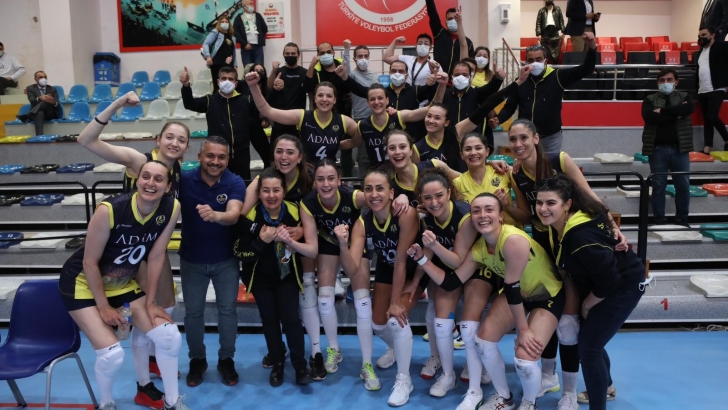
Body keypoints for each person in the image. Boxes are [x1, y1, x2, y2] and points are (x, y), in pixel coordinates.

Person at [506, 118, 628, 407]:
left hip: (571, 241)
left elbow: (588, 195)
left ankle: (587, 387)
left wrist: (612, 225)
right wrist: (503, 204)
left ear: (536, 138)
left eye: (524, 138)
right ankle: (550, 376)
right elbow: (527, 216)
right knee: (547, 309)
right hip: (544, 246)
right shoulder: (515, 174)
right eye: (513, 139)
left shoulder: (559, 160)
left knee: (573, 321)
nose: (518, 144)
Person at [77, 91, 188, 407]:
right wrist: (116, 104)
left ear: (186, 147)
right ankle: (143, 384)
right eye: (169, 137)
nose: (174, 143)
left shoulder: (178, 173)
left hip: (150, 250)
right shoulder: (140, 161)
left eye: (181, 139)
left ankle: (151, 363)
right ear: (158, 139)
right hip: (126, 252)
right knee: (145, 314)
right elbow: (86, 139)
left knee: (164, 309)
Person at [408, 192, 564, 410]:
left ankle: (529, 403)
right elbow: (452, 282)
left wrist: (523, 331)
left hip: (545, 296)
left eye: (489, 209)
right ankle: (505, 398)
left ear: (501, 216)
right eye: (476, 211)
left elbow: (512, 288)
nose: (482, 215)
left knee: (525, 358)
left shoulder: (512, 240)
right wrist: (422, 259)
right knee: (483, 342)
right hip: (518, 295)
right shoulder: (480, 248)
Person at [58, 161, 189, 410]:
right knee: (112, 354)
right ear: (137, 181)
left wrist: (150, 302)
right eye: (146, 176)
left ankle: (172, 403)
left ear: (168, 186)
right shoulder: (109, 210)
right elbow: (89, 262)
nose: (151, 183)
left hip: (121, 281)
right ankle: (106, 403)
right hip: (82, 282)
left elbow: (156, 256)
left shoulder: (172, 207)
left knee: (168, 336)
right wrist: (103, 307)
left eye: (159, 179)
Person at [535, 175, 646, 410]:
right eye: (539, 202)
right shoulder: (563, 225)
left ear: (567, 204)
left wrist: (587, 305)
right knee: (592, 337)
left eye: (551, 203)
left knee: (589, 348)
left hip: (622, 285)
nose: (543, 208)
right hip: (604, 283)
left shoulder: (580, 236)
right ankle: (607, 387)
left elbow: (609, 281)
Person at [335, 169, 428, 407]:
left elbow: (401, 262)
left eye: (380, 188)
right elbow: (352, 269)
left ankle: (404, 380)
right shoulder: (362, 221)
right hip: (388, 270)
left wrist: (395, 302)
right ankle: (397, 348)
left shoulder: (406, 214)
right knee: (377, 324)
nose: (374, 194)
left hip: (413, 269)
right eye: (368, 189)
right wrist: (342, 245)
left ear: (391, 193)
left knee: (396, 320)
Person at [411, 169, 495, 404]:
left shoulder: (464, 216)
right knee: (441, 323)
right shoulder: (427, 216)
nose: (434, 202)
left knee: (468, 326)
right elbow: (429, 252)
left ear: (449, 193)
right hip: (450, 268)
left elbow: (458, 259)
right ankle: (448, 376)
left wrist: (434, 246)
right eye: (427, 198)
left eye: (439, 195)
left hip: (476, 267)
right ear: (421, 199)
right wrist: (416, 282)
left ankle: (477, 366)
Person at [300, 158, 381, 390]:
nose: (326, 184)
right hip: (328, 243)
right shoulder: (308, 203)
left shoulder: (353, 197)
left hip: (354, 243)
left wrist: (402, 199)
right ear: (314, 182)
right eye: (320, 179)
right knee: (324, 300)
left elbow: (379, 198)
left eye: (330, 178)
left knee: (363, 303)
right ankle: (334, 349)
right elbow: (311, 241)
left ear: (339, 180)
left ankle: (367, 364)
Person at [233, 167, 317, 386]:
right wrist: (262, 242)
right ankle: (278, 362)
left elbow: (311, 238)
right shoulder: (250, 216)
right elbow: (239, 252)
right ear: (259, 193)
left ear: (284, 191)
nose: (271, 195)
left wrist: (297, 235)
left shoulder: (296, 211)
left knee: (292, 321)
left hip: (287, 278)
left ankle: (300, 366)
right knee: (269, 321)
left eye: (276, 190)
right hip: (261, 280)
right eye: (266, 190)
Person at [178, 137, 246, 388]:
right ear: (199, 157)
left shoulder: (235, 182)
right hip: (191, 259)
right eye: (210, 156)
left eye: (221, 157)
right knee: (193, 313)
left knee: (227, 311)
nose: (215, 161)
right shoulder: (184, 180)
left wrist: (216, 215)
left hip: (225, 260)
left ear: (227, 159)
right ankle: (197, 359)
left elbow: (234, 214)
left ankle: (226, 359)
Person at [491, 33, 598, 154]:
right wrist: (499, 119)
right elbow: (510, 107)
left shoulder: (558, 76)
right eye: (531, 60)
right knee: (527, 166)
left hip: (550, 138)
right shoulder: (520, 81)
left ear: (545, 61)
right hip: (526, 138)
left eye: (538, 59)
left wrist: (592, 47)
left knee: (551, 166)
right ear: (526, 62)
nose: (535, 63)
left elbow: (587, 69)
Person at [245, 70, 359, 163]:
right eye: (320, 95)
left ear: (334, 100)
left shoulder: (343, 121)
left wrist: (341, 145)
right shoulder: (303, 116)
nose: (324, 99)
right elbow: (267, 111)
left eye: (329, 96)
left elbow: (360, 137)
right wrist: (253, 86)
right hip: (306, 175)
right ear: (314, 99)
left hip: (329, 176)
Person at [180, 65, 258, 179]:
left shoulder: (246, 100)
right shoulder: (210, 100)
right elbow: (189, 104)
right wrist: (186, 86)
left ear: (236, 83)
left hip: (241, 155)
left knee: (242, 185)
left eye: (230, 79)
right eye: (224, 78)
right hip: (216, 157)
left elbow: (261, 112)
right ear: (218, 82)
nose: (227, 81)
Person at [641, 68, 695, 227]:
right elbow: (649, 117)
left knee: (683, 186)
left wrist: (663, 111)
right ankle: (659, 221)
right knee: (658, 186)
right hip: (658, 150)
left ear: (676, 82)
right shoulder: (649, 99)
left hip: (680, 150)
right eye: (662, 80)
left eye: (669, 80)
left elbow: (688, 109)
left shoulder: (685, 96)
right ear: (657, 83)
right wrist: (677, 114)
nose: (666, 83)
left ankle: (682, 221)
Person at [430, 61, 505, 153]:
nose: (461, 77)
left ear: (470, 77)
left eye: (465, 75)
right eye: (457, 75)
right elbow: (433, 106)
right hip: (446, 144)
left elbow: (491, 88)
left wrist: (498, 78)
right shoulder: (444, 94)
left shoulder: (477, 94)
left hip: (472, 146)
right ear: (451, 77)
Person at [342, 40, 380, 176]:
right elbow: (344, 71)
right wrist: (346, 50)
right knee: (363, 156)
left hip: (376, 119)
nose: (363, 59)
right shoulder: (352, 75)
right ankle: (364, 182)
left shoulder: (374, 75)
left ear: (369, 57)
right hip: (360, 120)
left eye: (365, 56)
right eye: (360, 56)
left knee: (376, 155)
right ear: (354, 59)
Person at [695, 26, 728, 154]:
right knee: (707, 120)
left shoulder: (722, 46)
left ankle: (726, 139)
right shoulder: (700, 52)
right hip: (702, 90)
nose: (701, 38)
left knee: (712, 116)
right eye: (699, 36)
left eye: (703, 35)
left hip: (717, 88)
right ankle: (707, 148)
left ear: (712, 35)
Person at [268, 42, 308, 139]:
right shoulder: (279, 71)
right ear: (284, 55)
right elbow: (269, 86)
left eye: (293, 53)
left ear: (298, 55)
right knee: (277, 144)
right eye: (287, 53)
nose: (290, 55)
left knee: (297, 145)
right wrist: (273, 71)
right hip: (279, 116)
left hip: (297, 117)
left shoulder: (304, 72)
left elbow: (310, 93)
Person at [425, 1, 474, 75]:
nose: (453, 21)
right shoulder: (439, 33)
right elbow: (432, 14)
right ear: (446, 21)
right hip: (439, 77)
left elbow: (471, 64)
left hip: (457, 79)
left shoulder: (468, 43)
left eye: (455, 18)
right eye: (450, 19)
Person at [244, 63, 272, 167]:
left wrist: (265, 119)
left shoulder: (267, 89)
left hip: (256, 124)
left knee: (267, 154)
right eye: (256, 70)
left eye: (261, 71)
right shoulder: (243, 86)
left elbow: (267, 108)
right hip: (243, 124)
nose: (259, 73)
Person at [202, 15, 237, 93]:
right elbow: (206, 43)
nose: (225, 23)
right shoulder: (216, 32)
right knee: (218, 87)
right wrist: (208, 56)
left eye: (226, 22)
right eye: (222, 22)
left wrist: (235, 64)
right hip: (217, 64)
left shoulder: (232, 37)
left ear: (229, 24)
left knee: (230, 87)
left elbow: (233, 52)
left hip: (229, 65)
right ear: (219, 23)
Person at [19, 71, 59, 136]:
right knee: (40, 113)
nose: (43, 79)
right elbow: (32, 101)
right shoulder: (30, 88)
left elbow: (57, 104)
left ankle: (28, 115)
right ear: (36, 79)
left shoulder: (52, 89)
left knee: (46, 100)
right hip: (36, 113)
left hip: (50, 113)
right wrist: (39, 98)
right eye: (41, 77)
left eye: (45, 77)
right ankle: (39, 137)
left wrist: (53, 102)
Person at [234, 0, 268, 66]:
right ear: (245, 6)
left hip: (258, 47)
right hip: (245, 47)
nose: (253, 5)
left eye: (252, 4)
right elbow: (236, 32)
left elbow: (265, 29)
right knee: (248, 68)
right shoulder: (238, 17)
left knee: (259, 67)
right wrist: (244, 44)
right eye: (250, 4)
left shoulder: (258, 16)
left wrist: (260, 37)